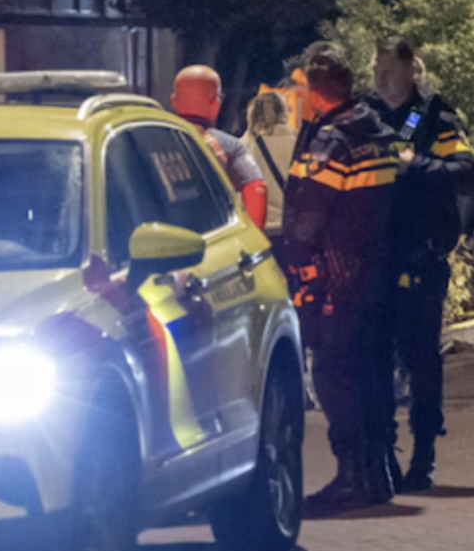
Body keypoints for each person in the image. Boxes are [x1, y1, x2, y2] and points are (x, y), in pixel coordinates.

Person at [284, 42, 400, 512]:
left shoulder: (332, 142)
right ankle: (379, 471)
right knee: (373, 370)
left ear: (315, 92)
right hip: (380, 272)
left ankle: (352, 476)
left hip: (338, 278)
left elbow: (307, 219)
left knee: (334, 373)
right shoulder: (376, 131)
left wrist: (296, 264)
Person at [364, 35, 474, 492]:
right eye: (378, 71)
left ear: (413, 71)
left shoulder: (435, 118)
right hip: (373, 259)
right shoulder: (365, 115)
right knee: (373, 360)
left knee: (421, 362)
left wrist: (419, 166)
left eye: (391, 71)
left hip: (421, 257)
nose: (383, 80)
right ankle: (383, 455)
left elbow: (467, 173)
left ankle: (424, 454)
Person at [170, 65, 268, 231]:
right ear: (216, 103)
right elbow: (257, 189)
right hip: (214, 237)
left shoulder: (151, 139)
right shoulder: (229, 145)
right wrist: (251, 237)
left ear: (173, 100)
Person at [245, 90, 297, 266]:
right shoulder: (298, 143)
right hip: (291, 231)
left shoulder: (243, 147)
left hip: (258, 233)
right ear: (283, 112)